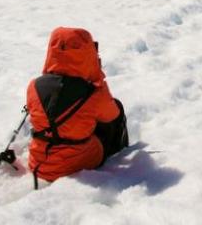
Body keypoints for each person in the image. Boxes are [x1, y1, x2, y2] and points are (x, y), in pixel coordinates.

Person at [26, 27, 128, 187]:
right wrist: (96, 75)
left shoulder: (34, 85)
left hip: (38, 164)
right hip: (76, 164)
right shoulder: (93, 92)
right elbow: (112, 115)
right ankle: (123, 154)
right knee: (115, 111)